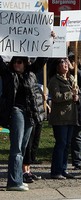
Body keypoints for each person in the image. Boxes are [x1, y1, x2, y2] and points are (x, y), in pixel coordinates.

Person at [0, 56, 47, 191]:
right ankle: (14, 182)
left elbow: (42, 59)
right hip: (16, 111)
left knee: (23, 146)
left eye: (19, 62)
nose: (16, 64)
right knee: (17, 146)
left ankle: (18, 178)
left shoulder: (30, 73)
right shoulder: (8, 74)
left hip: (30, 113)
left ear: (25, 63)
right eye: (14, 62)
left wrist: (51, 40)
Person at [48, 58, 79, 180]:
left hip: (71, 116)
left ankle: (63, 169)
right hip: (60, 117)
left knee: (67, 144)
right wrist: (71, 94)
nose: (65, 64)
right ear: (57, 66)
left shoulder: (72, 79)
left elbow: (77, 92)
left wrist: (77, 96)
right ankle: (56, 171)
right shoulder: (54, 80)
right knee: (61, 143)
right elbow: (56, 97)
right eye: (62, 62)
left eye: (66, 62)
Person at [22, 83, 48, 183]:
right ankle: (24, 171)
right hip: (30, 116)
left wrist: (44, 100)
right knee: (28, 144)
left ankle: (29, 169)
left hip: (38, 115)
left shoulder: (37, 85)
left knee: (34, 144)